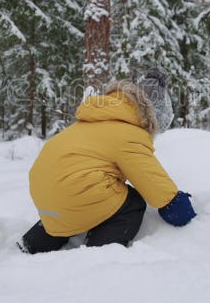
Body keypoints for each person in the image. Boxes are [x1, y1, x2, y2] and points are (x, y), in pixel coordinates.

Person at [19, 67, 196, 254]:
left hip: (43, 193)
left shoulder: (92, 119)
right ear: (152, 116)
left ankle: (31, 245)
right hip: (75, 192)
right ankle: (99, 253)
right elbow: (156, 188)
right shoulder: (129, 134)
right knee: (132, 203)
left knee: (71, 204)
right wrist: (178, 206)